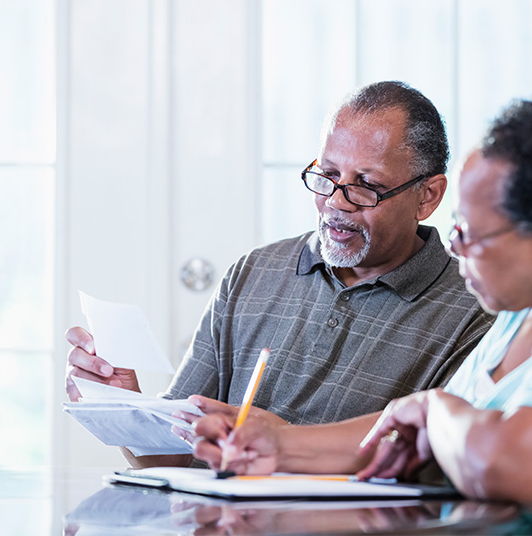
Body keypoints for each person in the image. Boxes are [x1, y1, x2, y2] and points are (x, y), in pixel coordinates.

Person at [192, 91, 532, 535]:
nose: (455, 247)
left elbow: (503, 464)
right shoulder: (527, 317)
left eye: (469, 232)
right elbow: (415, 444)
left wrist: (435, 407)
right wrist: (281, 445)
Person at [64, 80, 493, 468]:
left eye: (366, 185)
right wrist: (124, 402)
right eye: (326, 175)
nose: (336, 203)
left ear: (428, 196)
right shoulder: (253, 274)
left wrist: (283, 444)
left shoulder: (475, 310)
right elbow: (173, 457)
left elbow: (444, 471)